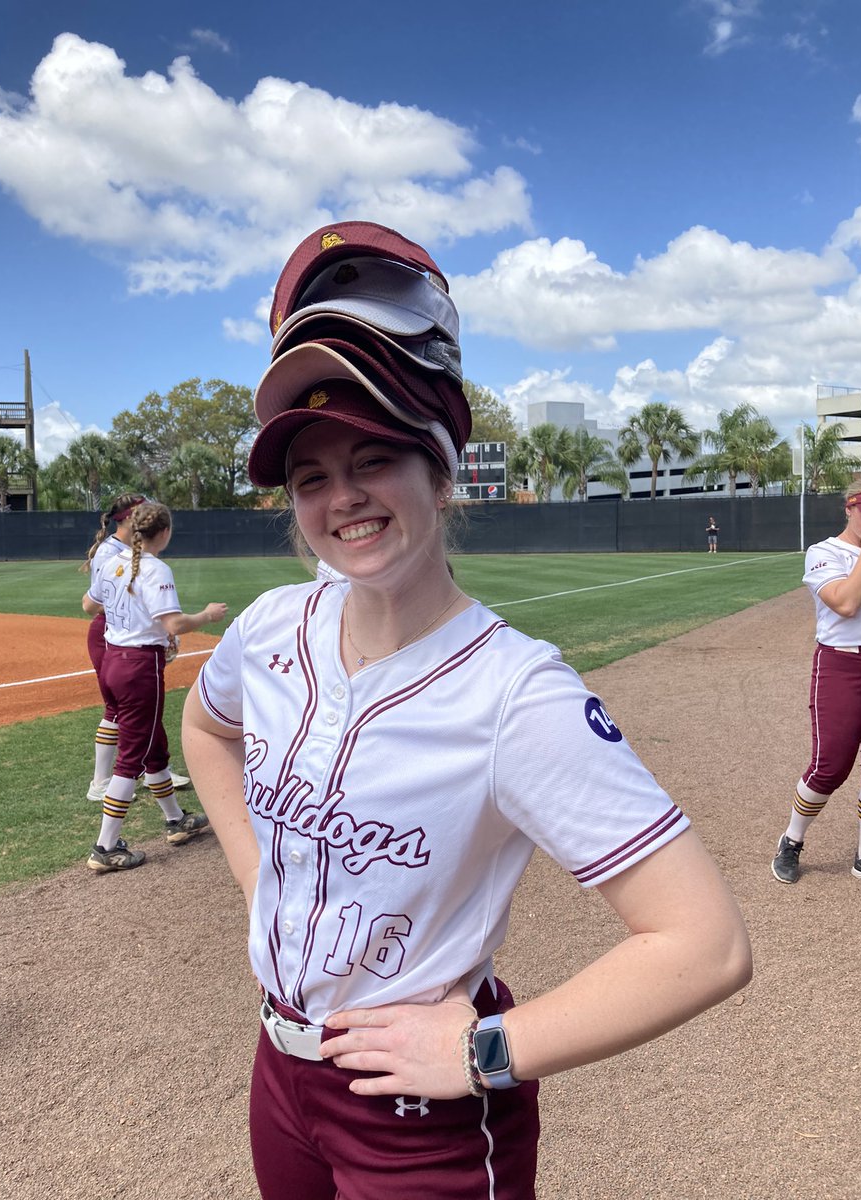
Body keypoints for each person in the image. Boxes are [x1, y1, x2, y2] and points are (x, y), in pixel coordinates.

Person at [182, 378, 752, 1196]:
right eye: (310, 478)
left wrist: (480, 1052)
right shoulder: (271, 625)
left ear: (441, 476)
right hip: (279, 1068)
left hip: (420, 1117)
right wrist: (259, 887)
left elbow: (707, 944)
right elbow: (206, 731)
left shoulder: (516, 691)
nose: (342, 496)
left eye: (373, 460)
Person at [83, 501, 227, 873]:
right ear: (164, 533)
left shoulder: (112, 561)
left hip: (113, 660)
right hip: (139, 668)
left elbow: (88, 605)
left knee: (151, 745)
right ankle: (106, 846)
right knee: (131, 758)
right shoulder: (156, 568)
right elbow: (175, 625)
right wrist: (208, 616)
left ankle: (175, 819)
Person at [772, 478, 861, 885]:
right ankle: (792, 840)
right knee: (830, 766)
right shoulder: (824, 552)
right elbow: (846, 603)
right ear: (848, 508)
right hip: (841, 665)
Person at [82, 493, 191, 803]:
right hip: (115, 637)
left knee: (143, 711)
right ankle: (102, 780)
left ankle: (157, 769)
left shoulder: (127, 551)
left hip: (122, 635)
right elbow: (95, 605)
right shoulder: (112, 553)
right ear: (131, 518)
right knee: (119, 709)